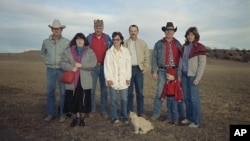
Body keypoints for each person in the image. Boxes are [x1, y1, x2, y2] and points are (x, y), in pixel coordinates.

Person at [60, 33, 97, 127]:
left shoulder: (90, 51)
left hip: (85, 80)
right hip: (72, 80)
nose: (79, 41)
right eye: (77, 39)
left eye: (81, 39)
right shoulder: (68, 51)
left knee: (84, 100)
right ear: (75, 41)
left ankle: (82, 119)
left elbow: (93, 63)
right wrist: (71, 67)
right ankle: (74, 119)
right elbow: (62, 63)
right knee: (72, 99)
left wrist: (82, 66)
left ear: (84, 41)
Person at [151, 22, 183, 120]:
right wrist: (154, 71)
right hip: (162, 71)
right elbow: (154, 58)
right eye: (167, 30)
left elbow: (183, 58)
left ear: (174, 32)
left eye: (171, 30)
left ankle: (179, 113)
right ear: (165, 31)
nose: (169, 32)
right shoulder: (159, 43)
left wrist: (181, 73)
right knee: (160, 93)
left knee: (177, 92)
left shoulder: (178, 44)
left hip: (175, 70)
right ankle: (156, 114)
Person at [41, 19, 70, 122]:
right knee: (50, 92)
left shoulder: (67, 42)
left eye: (58, 29)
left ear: (61, 30)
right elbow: (43, 53)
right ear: (51, 29)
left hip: (62, 69)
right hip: (50, 70)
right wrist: (46, 61)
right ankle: (51, 114)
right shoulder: (46, 42)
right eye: (54, 29)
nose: (56, 30)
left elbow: (70, 54)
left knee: (63, 93)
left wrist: (66, 64)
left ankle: (63, 114)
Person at [178, 27, 206, 128]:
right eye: (188, 35)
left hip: (193, 76)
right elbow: (181, 62)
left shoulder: (200, 47)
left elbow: (202, 64)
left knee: (194, 99)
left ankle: (196, 121)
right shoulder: (184, 46)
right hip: (184, 75)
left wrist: (198, 78)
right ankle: (189, 118)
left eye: (192, 35)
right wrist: (179, 76)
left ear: (195, 36)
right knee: (187, 98)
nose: (190, 36)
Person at [104, 32, 131, 124]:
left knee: (124, 99)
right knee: (113, 100)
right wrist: (108, 79)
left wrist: (128, 77)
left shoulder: (126, 51)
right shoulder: (109, 52)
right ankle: (114, 117)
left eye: (117, 39)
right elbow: (106, 66)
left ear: (121, 40)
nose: (116, 41)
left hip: (124, 79)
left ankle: (124, 116)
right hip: (113, 79)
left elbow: (128, 65)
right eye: (114, 39)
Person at [87, 19, 112, 118]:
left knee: (104, 89)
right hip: (93, 67)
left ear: (103, 28)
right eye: (97, 27)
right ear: (94, 28)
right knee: (91, 89)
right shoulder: (89, 38)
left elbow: (111, 51)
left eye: (100, 28)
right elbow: (85, 51)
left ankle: (103, 110)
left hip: (104, 67)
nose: (98, 29)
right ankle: (92, 110)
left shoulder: (107, 38)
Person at [124, 25, 150, 117]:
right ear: (129, 32)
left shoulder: (142, 43)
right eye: (131, 31)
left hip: (139, 69)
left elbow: (147, 56)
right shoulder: (125, 43)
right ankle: (129, 112)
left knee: (140, 92)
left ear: (137, 32)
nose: (133, 32)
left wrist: (146, 67)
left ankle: (141, 112)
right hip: (128, 70)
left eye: (135, 31)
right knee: (129, 93)